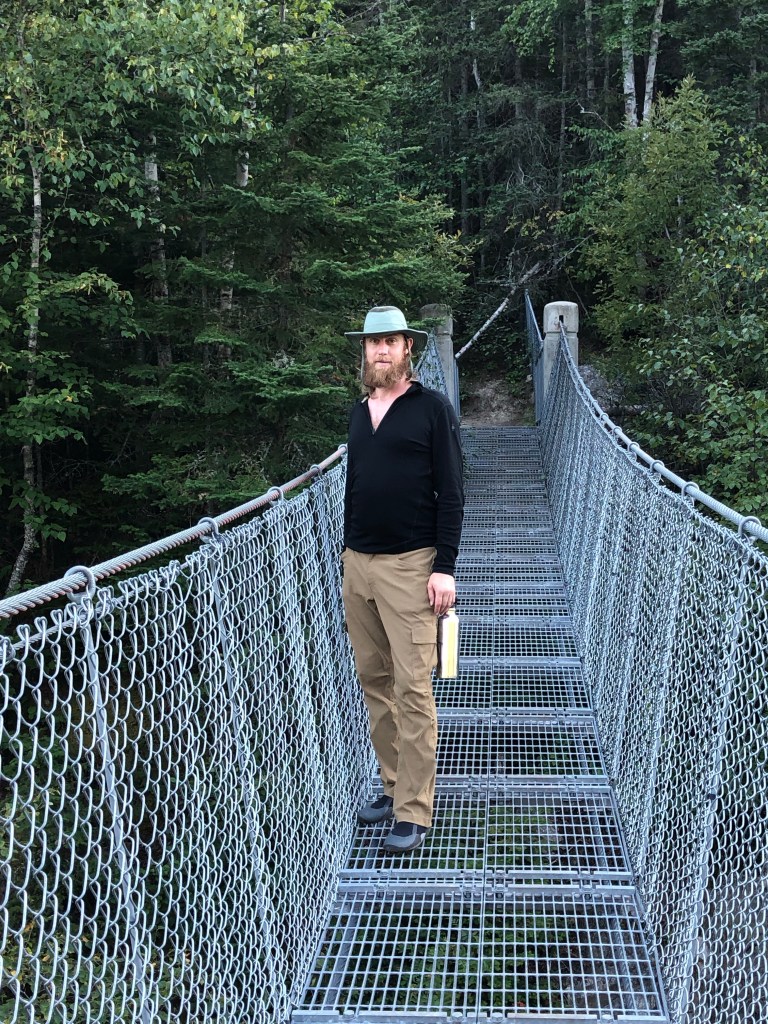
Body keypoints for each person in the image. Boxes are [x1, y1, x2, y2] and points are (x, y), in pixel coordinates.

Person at [341, 305, 464, 852]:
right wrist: (348, 554)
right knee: (374, 680)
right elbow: (355, 486)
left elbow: (452, 492)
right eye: (374, 343)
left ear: (407, 347)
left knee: (413, 688)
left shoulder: (431, 409)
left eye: (391, 341)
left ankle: (414, 810)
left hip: (411, 566)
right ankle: (393, 788)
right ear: (364, 350)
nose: (382, 350)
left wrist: (444, 568)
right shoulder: (358, 413)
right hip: (358, 565)